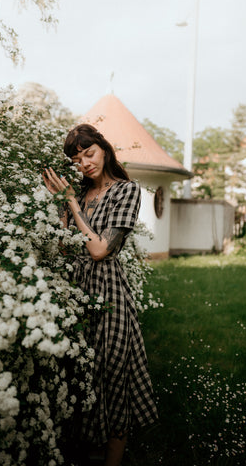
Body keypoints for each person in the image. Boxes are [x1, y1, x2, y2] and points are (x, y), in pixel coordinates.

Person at [43, 124, 158, 466]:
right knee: (83, 381)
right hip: (76, 295)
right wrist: (62, 208)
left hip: (109, 297)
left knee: (111, 381)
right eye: (77, 159)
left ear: (104, 150)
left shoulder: (126, 191)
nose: (84, 163)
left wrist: (71, 207)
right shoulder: (77, 196)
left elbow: (100, 250)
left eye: (89, 153)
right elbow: (65, 250)